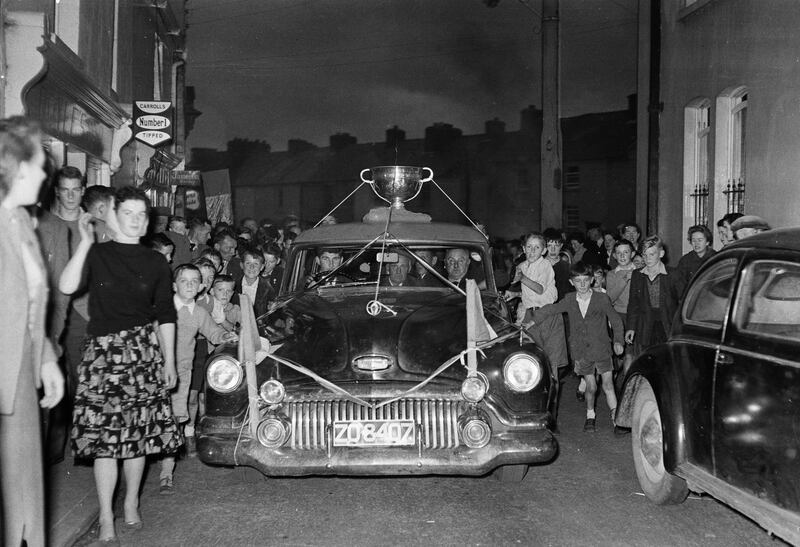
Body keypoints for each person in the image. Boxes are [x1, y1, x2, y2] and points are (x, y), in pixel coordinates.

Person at [60, 185, 181, 543]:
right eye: (127, 213)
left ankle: (130, 503)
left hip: (143, 352)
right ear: (115, 215)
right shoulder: (97, 253)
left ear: (147, 222)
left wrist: (169, 360)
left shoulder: (156, 261)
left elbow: (166, 314)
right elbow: (67, 285)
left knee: (137, 438)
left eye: (140, 215)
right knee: (105, 442)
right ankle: (106, 516)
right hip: (103, 355)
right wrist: (84, 241)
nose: (134, 220)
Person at [0, 116, 65, 547]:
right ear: (17, 167)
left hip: (20, 370)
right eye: (41, 164)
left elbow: (32, 302)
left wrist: (45, 358)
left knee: (22, 493)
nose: (46, 174)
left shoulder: (22, 222)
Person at [159, 264, 236, 494]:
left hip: (181, 375)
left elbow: (214, 332)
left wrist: (226, 334)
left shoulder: (199, 312)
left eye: (195, 280)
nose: (190, 285)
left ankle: (166, 474)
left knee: (172, 423)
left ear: (202, 286)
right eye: (184, 280)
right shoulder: (162, 309)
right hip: (155, 372)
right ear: (174, 285)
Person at [527, 262, 624, 432]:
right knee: (591, 386)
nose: (582, 284)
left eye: (586, 280)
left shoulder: (602, 299)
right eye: (578, 281)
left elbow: (616, 321)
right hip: (582, 352)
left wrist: (618, 341)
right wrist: (533, 321)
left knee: (608, 385)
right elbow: (551, 309)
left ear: (592, 280)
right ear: (572, 282)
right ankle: (590, 415)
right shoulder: (570, 299)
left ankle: (616, 420)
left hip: (602, 349)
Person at [514, 234, 569, 420]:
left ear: (544, 251)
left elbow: (538, 289)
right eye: (529, 247)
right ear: (523, 249)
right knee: (530, 365)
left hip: (549, 316)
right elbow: (516, 287)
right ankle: (532, 412)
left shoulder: (545, 265)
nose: (532, 251)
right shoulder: (521, 266)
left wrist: (520, 278)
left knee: (552, 369)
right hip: (530, 315)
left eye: (537, 248)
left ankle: (552, 415)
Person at [625, 235, 685, 356]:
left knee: (667, 358)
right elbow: (633, 303)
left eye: (652, 254)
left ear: (661, 253)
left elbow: (683, 301)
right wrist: (631, 327)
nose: (648, 259)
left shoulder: (673, 274)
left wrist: (681, 327)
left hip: (667, 324)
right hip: (645, 325)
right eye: (644, 255)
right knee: (647, 359)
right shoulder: (637, 275)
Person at [234, 248, 274, 317]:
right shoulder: (233, 285)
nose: (252, 267)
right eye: (248, 263)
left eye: (256, 264)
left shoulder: (267, 289)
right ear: (241, 265)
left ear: (262, 267)